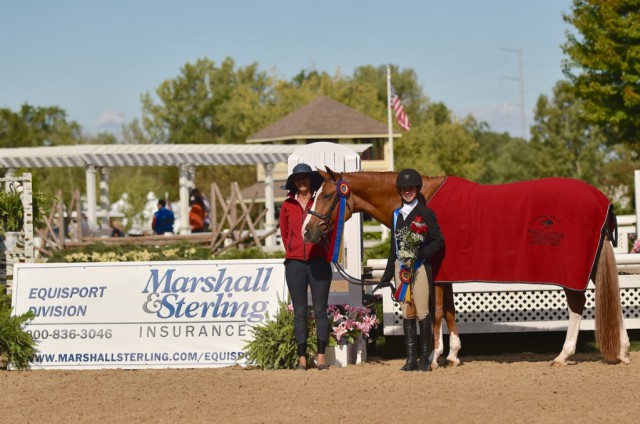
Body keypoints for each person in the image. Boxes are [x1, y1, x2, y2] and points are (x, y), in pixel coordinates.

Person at [374, 168, 445, 372]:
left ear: (416, 189)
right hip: (400, 269)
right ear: (399, 190)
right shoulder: (396, 215)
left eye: (411, 188)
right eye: (404, 188)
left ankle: (425, 358)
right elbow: (392, 247)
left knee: (422, 311)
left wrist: (421, 253)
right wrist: (387, 275)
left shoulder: (425, 213)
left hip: (420, 266)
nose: (407, 191)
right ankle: (410, 359)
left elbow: (439, 241)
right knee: (407, 312)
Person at [280, 163, 332, 370]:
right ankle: (302, 359)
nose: (302, 181)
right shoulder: (287, 205)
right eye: (298, 179)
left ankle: (321, 358)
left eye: (305, 178)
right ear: (294, 182)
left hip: (318, 262)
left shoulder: (318, 202)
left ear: (310, 180)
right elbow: (284, 234)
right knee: (299, 312)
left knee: (320, 311)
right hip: (295, 265)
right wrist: (294, 251)